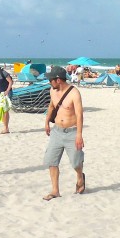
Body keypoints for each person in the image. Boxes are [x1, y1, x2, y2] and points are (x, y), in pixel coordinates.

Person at [42, 65, 85, 200]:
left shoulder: (74, 93)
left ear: (58, 80)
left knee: (76, 162)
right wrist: (47, 122)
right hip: (57, 131)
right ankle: (55, 190)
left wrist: (79, 135)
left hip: (72, 132)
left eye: (51, 80)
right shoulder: (52, 91)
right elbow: (51, 106)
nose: (49, 82)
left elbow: (79, 115)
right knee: (51, 161)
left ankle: (80, 177)